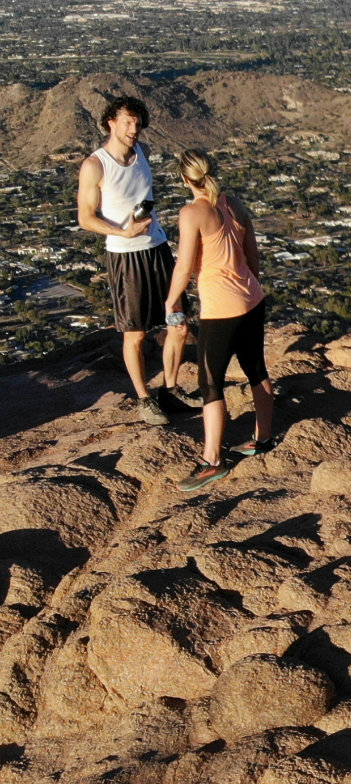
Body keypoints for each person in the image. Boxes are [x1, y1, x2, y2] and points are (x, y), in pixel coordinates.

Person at [75, 96, 189, 425]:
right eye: (127, 122)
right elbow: (85, 217)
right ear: (110, 122)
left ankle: (171, 389)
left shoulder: (142, 153)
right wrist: (122, 233)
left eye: (137, 123)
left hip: (157, 246)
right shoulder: (95, 165)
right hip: (126, 256)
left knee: (178, 324)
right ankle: (144, 398)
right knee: (135, 333)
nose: (133, 129)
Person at [165, 149, 274, 493]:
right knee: (257, 370)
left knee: (211, 384)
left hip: (220, 309)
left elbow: (184, 266)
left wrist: (171, 301)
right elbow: (252, 252)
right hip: (251, 299)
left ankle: (213, 461)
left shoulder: (192, 212)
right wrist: (250, 289)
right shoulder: (234, 204)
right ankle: (263, 438)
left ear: (184, 179)